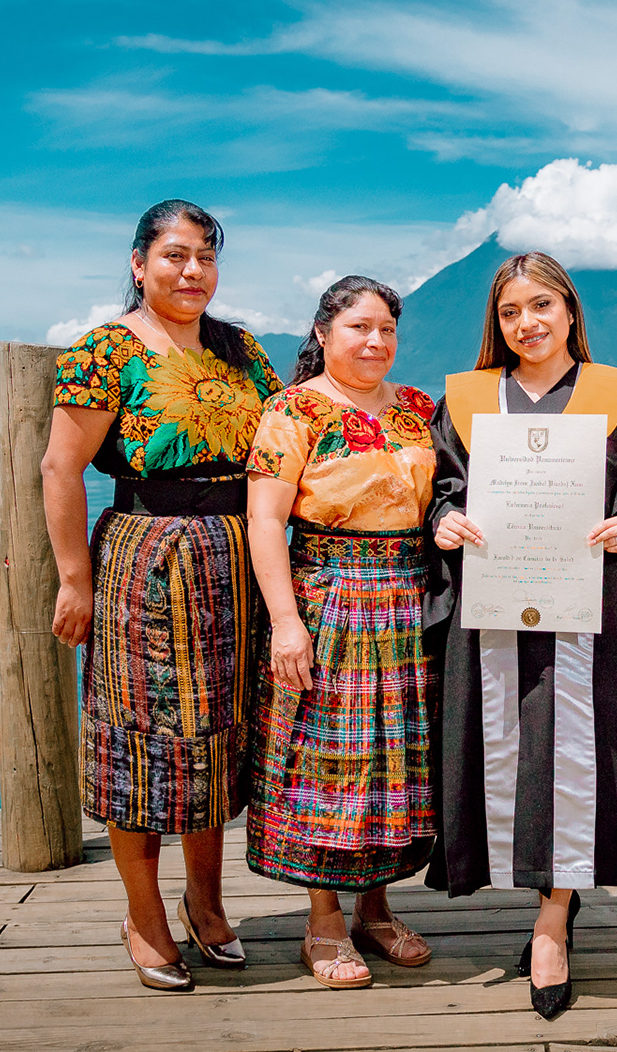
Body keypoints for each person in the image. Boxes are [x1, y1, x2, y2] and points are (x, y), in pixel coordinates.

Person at [424, 252, 617, 1020]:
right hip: (493, 609)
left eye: (542, 305)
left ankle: (551, 924)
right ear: (496, 324)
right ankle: (544, 904)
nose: (527, 323)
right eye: (510, 312)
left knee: (574, 758)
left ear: (570, 309)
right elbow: (440, 488)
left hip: (591, 611)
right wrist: (443, 519)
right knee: (512, 754)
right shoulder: (466, 399)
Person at [43, 200, 282, 992]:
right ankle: (143, 916)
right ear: (139, 263)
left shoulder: (240, 349)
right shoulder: (105, 350)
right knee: (141, 742)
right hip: (144, 558)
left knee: (218, 735)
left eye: (206, 257)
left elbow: (286, 442)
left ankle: (206, 903)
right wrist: (74, 579)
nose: (193, 271)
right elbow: (59, 468)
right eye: (176, 255)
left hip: (234, 558)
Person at [244, 276, 439, 990]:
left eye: (387, 329)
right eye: (359, 327)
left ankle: (376, 910)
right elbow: (265, 520)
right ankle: (323, 921)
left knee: (393, 761)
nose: (375, 341)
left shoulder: (419, 408)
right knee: (328, 761)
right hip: (327, 598)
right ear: (323, 334)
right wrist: (284, 622)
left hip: (410, 599)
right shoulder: (293, 409)